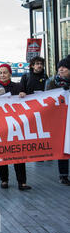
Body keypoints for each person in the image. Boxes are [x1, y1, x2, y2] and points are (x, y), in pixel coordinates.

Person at [0, 64, 31, 191]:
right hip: (0, 125)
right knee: (2, 152)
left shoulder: (18, 87)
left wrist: (24, 95)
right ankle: (4, 180)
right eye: (0, 72)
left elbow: (28, 102)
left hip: (15, 124)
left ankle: (22, 182)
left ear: (10, 74)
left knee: (18, 153)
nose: (2, 75)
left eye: (5, 72)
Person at [46, 54, 70, 185]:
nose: (61, 69)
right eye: (59, 67)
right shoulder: (51, 83)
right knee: (64, 147)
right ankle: (63, 175)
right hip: (61, 119)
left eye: (65, 67)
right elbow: (46, 100)